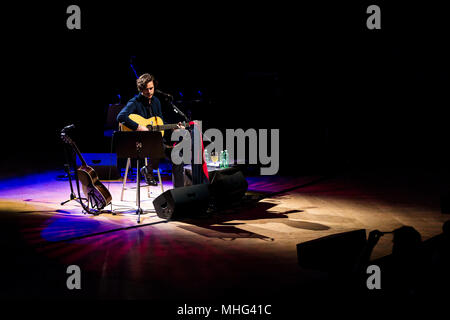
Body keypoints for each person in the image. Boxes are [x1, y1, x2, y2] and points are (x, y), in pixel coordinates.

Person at [117, 73, 185, 187]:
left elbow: (160, 123)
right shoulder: (134, 102)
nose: (149, 92)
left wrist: (174, 128)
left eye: (151, 88)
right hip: (139, 142)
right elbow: (120, 117)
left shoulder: (156, 102)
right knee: (159, 146)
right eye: (146, 89)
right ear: (140, 89)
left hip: (156, 141)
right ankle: (148, 171)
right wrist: (138, 127)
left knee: (178, 157)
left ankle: (178, 192)